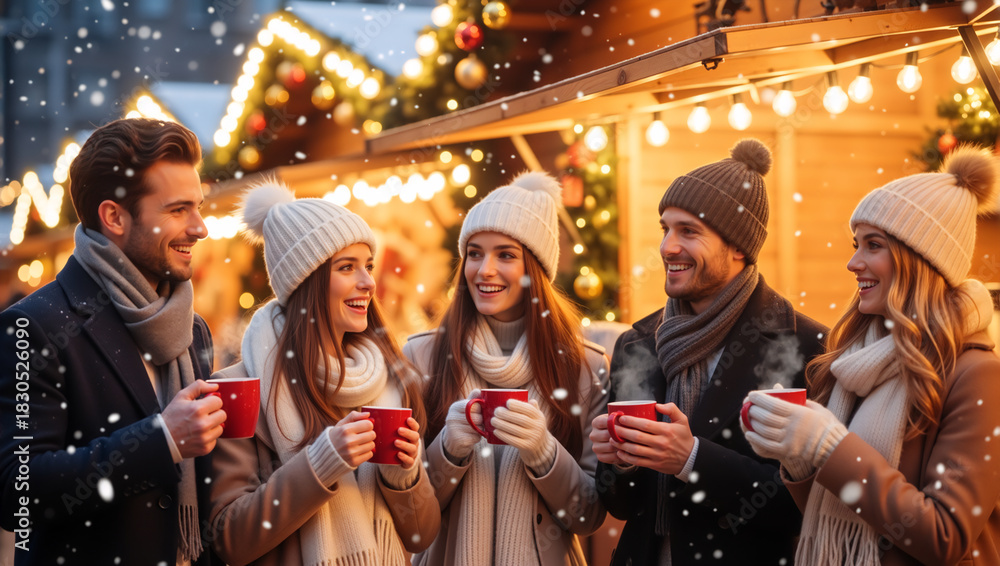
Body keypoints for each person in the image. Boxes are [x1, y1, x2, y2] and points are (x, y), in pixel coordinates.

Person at [743, 146, 1000, 565]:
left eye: (873, 245)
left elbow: (945, 537)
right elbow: (827, 516)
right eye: (856, 244)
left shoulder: (978, 376)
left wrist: (829, 447)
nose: (852, 262)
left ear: (919, 260)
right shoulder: (854, 363)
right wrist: (799, 459)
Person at [591, 138, 829, 565]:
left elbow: (804, 509)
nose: (667, 247)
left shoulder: (808, 349)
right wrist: (620, 463)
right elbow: (622, 506)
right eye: (665, 228)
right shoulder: (638, 343)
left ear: (738, 246)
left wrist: (692, 459)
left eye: (689, 231)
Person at [0, 118, 224, 565]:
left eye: (198, 207)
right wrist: (161, 440)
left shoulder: (192, 328)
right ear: (114, 216)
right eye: (179, 210)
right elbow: (16, 491)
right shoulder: (32, 325)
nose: (201, 228)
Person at [207, 182, 440, 566]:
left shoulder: (389, 380)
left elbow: (420, 536)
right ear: (306, 281)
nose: (367, 282)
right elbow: (229, 540)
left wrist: (406, 476)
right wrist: (321, 463)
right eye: (346, 267)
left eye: (367, 265)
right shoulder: (236, 389)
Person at [404, 171, 610, 566]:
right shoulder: (422, 356)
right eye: (475, 253)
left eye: (506, 255)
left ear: (536, 269)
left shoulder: (585, 364)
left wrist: (544, 453)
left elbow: (589, 515)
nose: (484, 271)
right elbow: (411, 518)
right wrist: (448, 450)